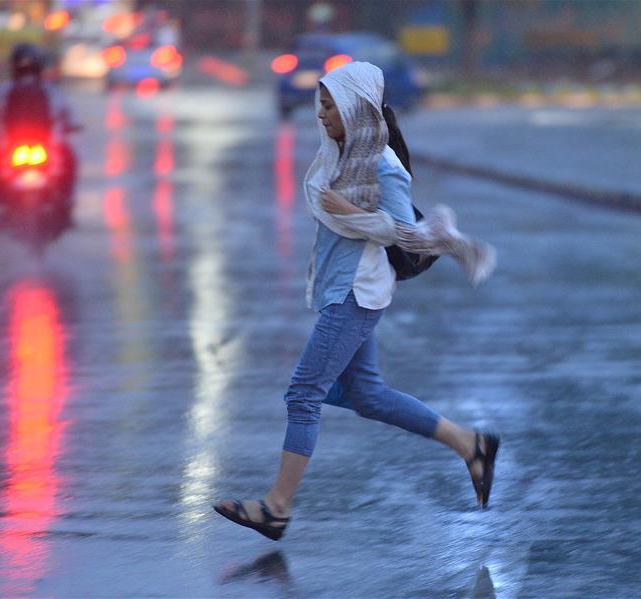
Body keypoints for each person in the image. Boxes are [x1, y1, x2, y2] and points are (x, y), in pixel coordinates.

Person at [213, 62, 499, 541]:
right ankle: (470, 444)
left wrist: (351, 211)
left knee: (304, 394)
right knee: (366, 395)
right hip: (340, 291)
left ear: (356, 109)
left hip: (356, 293)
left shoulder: (384, 165)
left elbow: (406, 232)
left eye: (330, 106)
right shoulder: (341, 158)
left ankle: (277, 507)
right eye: (320, 104)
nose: (321, 114)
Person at [0, 43, 78, 205]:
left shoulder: (6, 89)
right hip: (24, 143)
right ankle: (66, 200)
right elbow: (66, 113)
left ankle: (65, 200)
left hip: (36, 143)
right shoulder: (49, 89)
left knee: (67, 160)